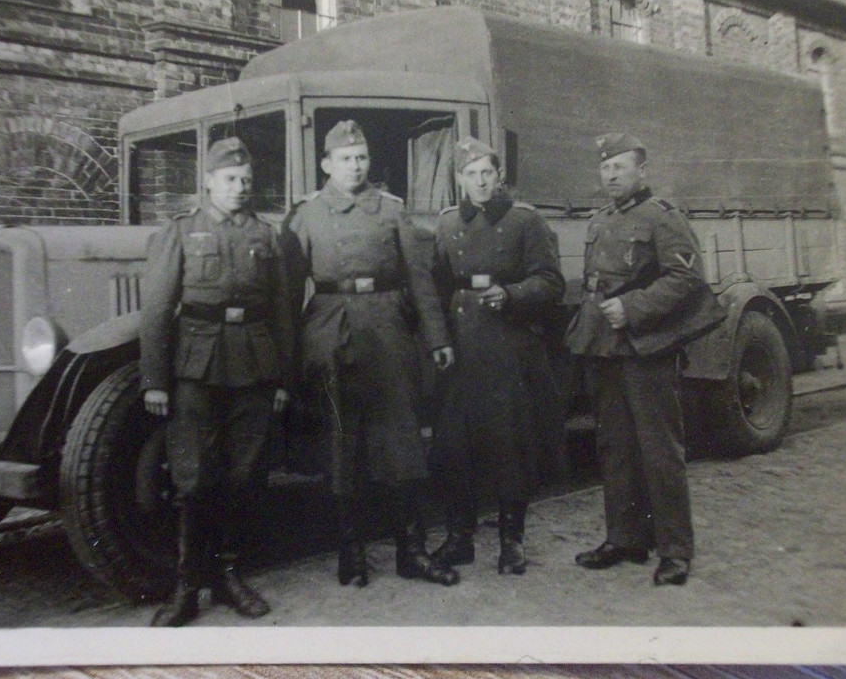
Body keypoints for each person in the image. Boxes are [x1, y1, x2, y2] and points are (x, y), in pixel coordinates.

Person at [283, 119, 459, 589]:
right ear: (326, 165)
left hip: (386, 330)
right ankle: (351, 551)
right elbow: (287, 293)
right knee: (342, 444)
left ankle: (411, 551)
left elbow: (419, 280)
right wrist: (290, 355)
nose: (355, 166)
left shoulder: (390, 210)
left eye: (361, 157)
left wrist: (437, 338)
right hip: (332, 329)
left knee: (401, 441)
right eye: (345, 159)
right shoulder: (308, 215)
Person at [140, 136, 295, 626]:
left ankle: (229, 577)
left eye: (246, 180)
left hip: (254, 362)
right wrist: (155, 380)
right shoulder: (181, 231)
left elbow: (284, 312)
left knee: (242, 475)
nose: (239, 188)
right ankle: (187, 586)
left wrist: (284, 378)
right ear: (208, 181)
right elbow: (157, 310)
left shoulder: (267, 236)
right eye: (230, 179)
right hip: (197, 366)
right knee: (193, 478)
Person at [567, 133, 725, 587]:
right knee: (614, 446)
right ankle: (625, 538)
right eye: (605, 168)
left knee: (659, 450)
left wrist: (633, 307)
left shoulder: (663, 218)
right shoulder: (600, 221)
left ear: (641, 170)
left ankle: (675, 551)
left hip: (647, 347)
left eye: (620, 166)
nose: (611, 175)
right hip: (605, 347)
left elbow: (686, 279)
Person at [430, 136, 566, 576]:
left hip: (509, 345)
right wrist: (439, 340)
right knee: (456, 445)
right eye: (471, 174)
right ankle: (459, 539)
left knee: (511, 443)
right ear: (460, 179)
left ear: (499, 175)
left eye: (487, 172)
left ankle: (512, 541)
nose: (481, 182)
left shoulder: (524, 220)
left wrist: (512, 294)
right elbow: (437, 286)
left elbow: (551, 281)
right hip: (462, 347)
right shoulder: (448, 223)